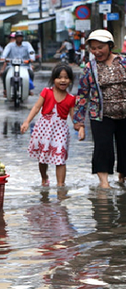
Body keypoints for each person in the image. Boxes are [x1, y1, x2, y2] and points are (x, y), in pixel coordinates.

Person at [73, 29, 126, 189]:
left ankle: (122, 176)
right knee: (103, 147)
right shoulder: (90, 68)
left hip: (124, 114)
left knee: (125, 146)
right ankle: (104, 182)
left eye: (100, 47)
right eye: (93, 48)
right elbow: (82, 95)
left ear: (110, 46)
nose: (96, 51)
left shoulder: (123, 63)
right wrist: (79, 122)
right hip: (101, 116)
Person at [21, 63, 85, 187]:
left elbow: (74, 118)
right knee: (42, 157)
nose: (63, 80)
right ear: (53, 79)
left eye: (66, 78)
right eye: (59, 77)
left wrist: (80, 127)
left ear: (70, 80)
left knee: (60, 158)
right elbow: (36, 107)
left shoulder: (71, 98)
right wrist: (27, 122)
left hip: (60, 131)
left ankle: (61, 185)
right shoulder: (46, 92)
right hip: (43, 129)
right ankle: (44, 178)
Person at [0, 30, 35, 97]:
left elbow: (31, 52)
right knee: (4, 74)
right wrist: (3, 58)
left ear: (22, 38)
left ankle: (29, 89)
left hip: (24, 66)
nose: (19, 38)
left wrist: (31, 58)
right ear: (15, 38)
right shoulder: (10, 45)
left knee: (31, 73)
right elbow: (4, 53)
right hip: (11, 66)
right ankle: (5, 90)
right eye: (18, 37)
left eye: (20, 37)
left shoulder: (27, 44)